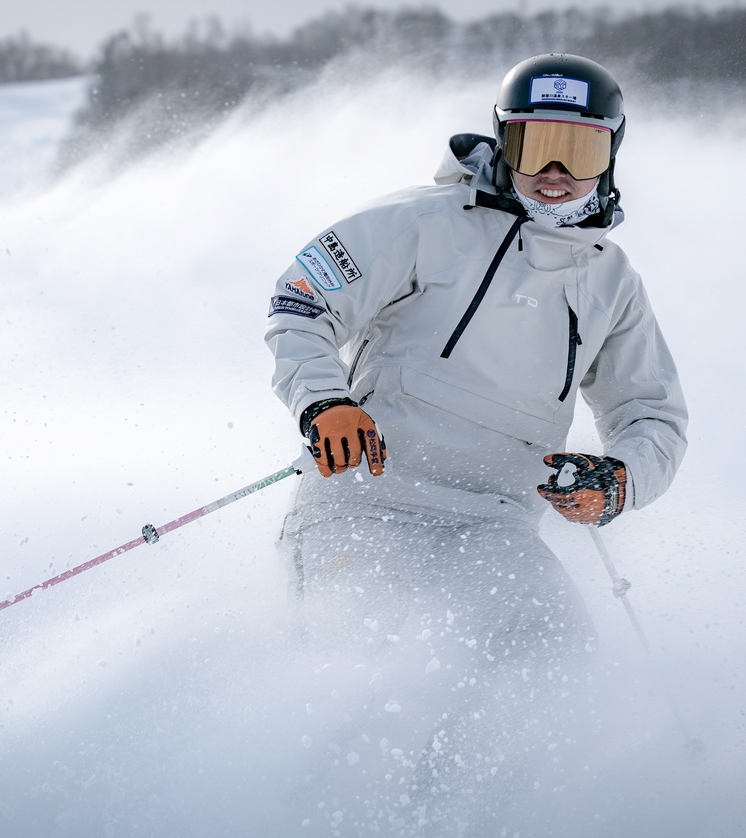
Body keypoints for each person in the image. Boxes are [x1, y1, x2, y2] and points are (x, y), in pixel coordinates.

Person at [264, 53, 689, 830]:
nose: (556, 172)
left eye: (582, 149)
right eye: (536, 147)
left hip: (493, 523)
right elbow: (301, 298)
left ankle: (469, 819)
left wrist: (618, 477)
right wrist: (323, 402)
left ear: (612, 156)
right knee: (387, 672)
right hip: (367, 502)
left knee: (553, 658)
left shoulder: (610, 280)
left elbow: (652, 415)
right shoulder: (422, 224)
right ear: (503, 145)